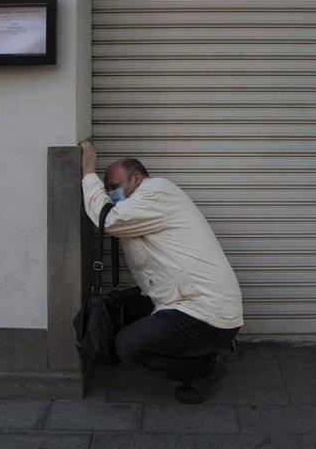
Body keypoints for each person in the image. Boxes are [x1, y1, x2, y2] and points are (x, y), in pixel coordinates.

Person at [79, 140, 244, 403]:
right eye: (107, 187)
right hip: (176, 298)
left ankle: (204, 365)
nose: (110, 193)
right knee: (115, 308)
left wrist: (88, 175)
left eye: (113, 186)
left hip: (207, 312)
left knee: (127, 346)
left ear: (136, 178)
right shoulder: (139, 206)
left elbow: (109, 220)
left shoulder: (157, 190)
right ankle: (194, 349)